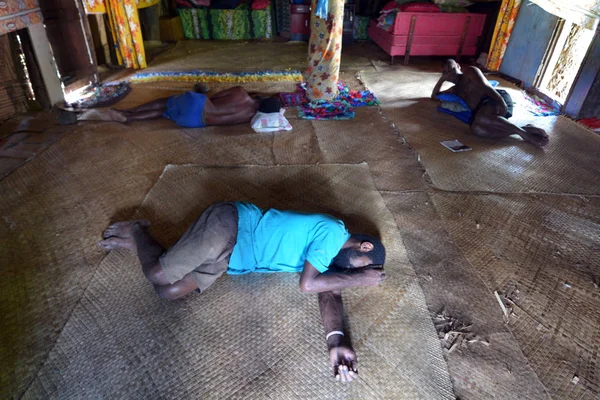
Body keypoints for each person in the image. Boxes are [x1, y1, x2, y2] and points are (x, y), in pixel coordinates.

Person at [98, 201, 387, 383]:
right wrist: (361, 279)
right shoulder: (335, 232)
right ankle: (137, 230)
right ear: (364, 247)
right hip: (231, 226)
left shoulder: (326, 262)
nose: (352, 274)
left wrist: (335, 341)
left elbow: (329, 293)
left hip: (230, 258)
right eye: (362, 267)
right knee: (156, 274)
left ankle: (142, 246)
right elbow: (307, 285)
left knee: (167, 292)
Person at [432, 59, 549, 148]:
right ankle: (523, 129)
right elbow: (434, 96)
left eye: (452, 69)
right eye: (446, 72)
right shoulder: (454, 90)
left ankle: (525, 134)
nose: (450, 74)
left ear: (458, 66)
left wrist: (501, 102)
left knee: (481, 118)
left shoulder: (470, 72)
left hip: (495, 98)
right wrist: (442, 79)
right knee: (476, 128)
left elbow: (487, 87)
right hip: (484, 111)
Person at [60, 85, 282, 128]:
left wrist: (200, 91)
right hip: (195, 122)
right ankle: (131, 118)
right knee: (165, 113)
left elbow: (213, 95)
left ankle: (127, 112)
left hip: (199, 104)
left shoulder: (241, 92)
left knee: (166, 102)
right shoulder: (249, 118)